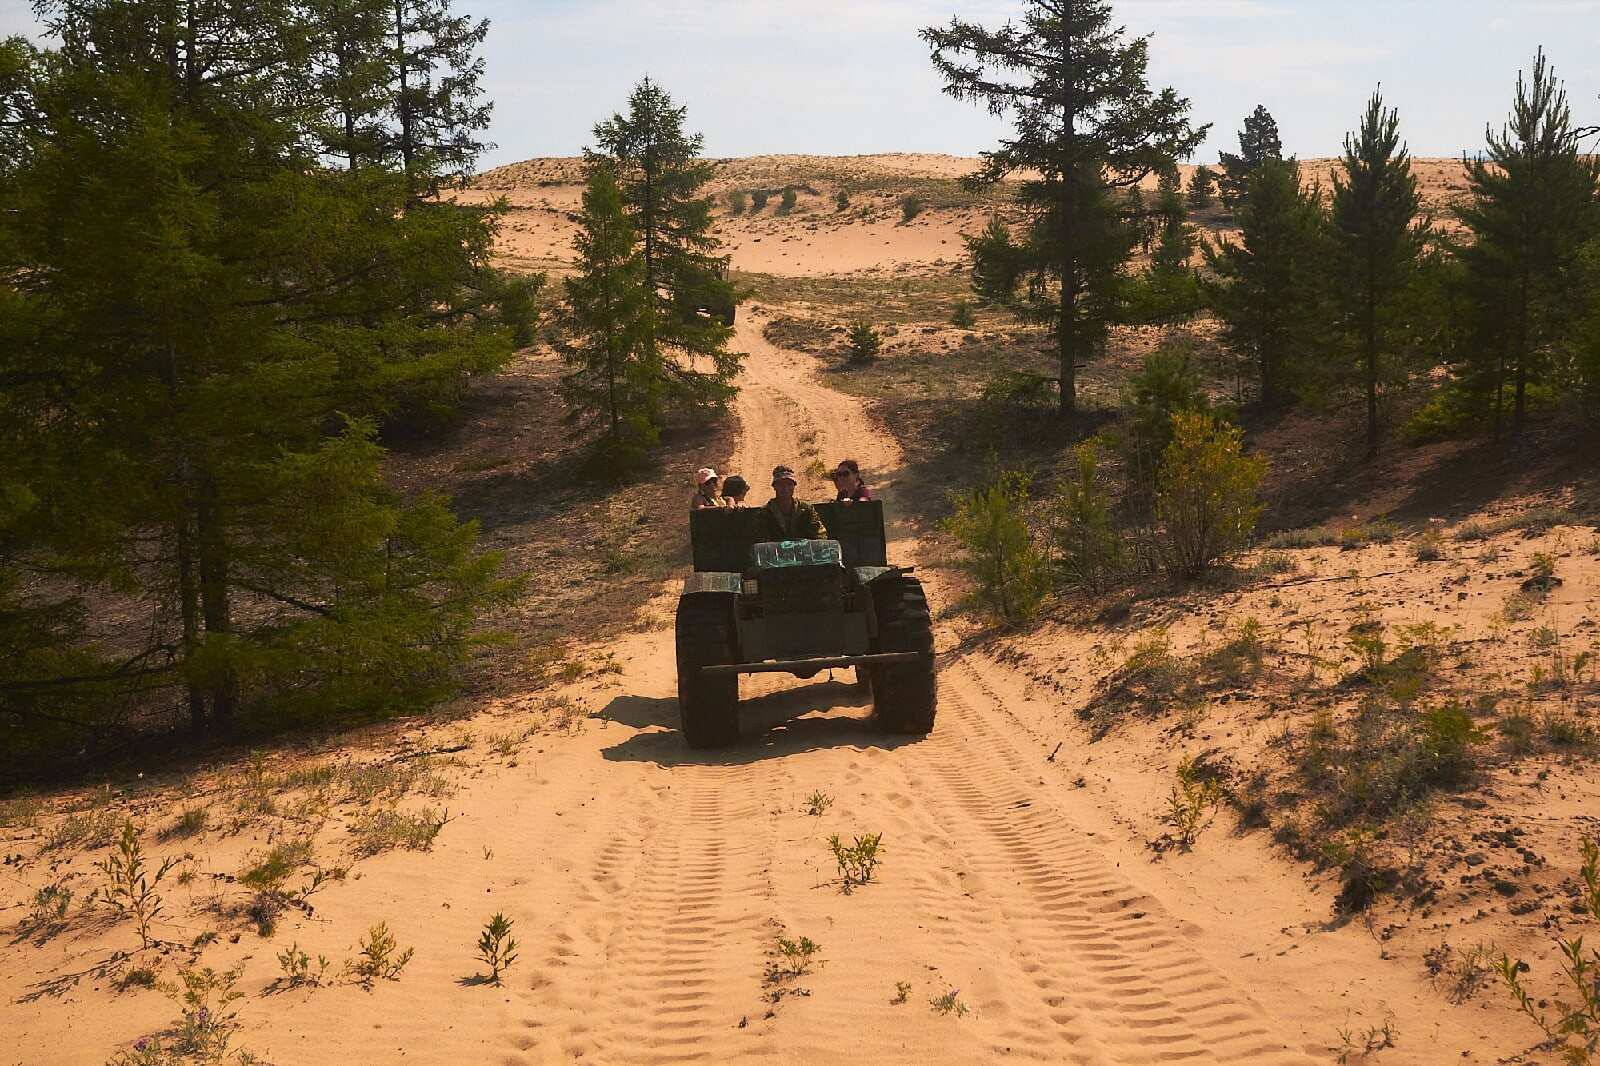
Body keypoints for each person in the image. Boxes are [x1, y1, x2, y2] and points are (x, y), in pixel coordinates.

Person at [762, 465, 829, 541]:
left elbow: (820, 535)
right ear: (774, 487)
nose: (785, 488)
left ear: (794, 486)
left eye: (789, 484)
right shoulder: (765, 513)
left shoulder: (806, 509)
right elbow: (761, 542)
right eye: (781, 484)